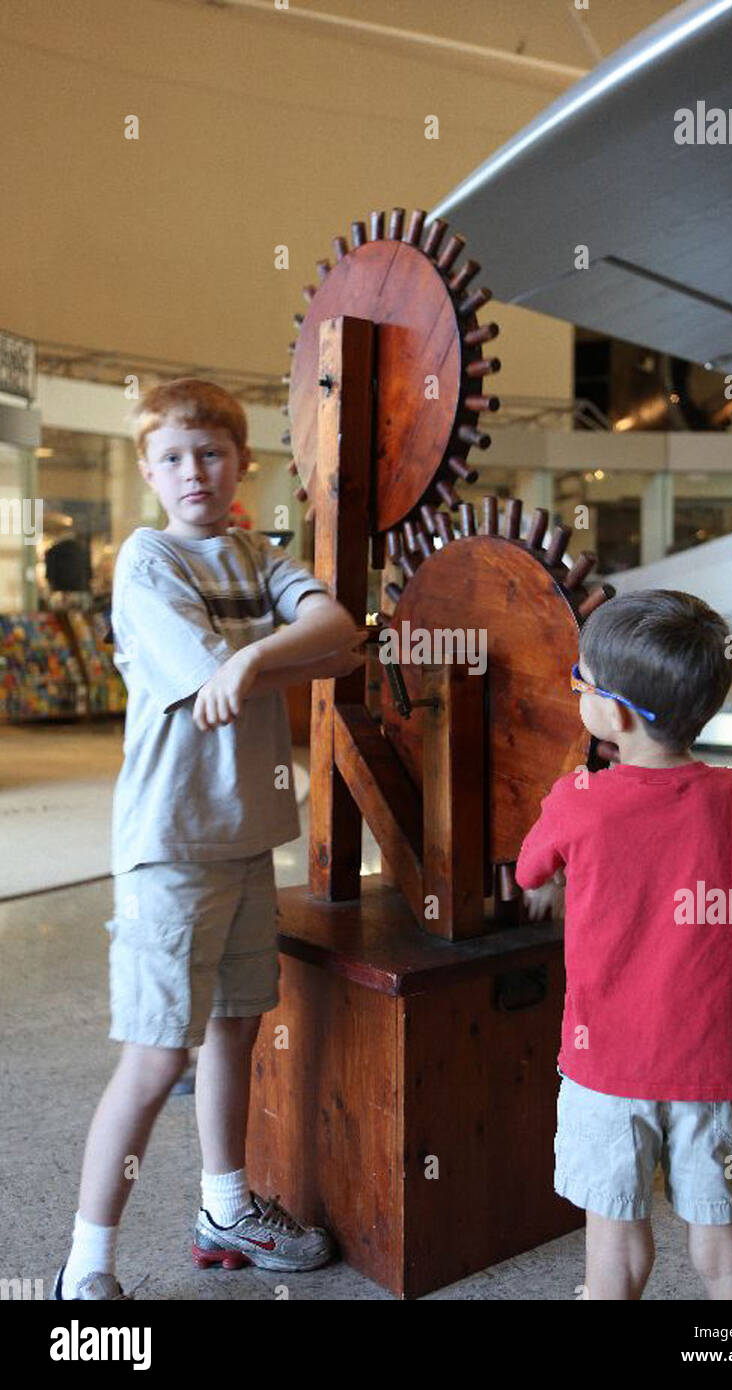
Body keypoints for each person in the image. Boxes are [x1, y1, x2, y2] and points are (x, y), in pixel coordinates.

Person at [55, 378, 366, 1300]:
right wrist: (284, 658)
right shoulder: (150, 562)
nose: (196, 471)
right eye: (175, 457)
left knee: (237, 1025)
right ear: (150, 471)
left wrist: (256, 653)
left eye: (213, 453)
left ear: (242, 465)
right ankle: (86, 1265)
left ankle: (225, 1207)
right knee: (156, 1057)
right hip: (171, 846)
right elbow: (213, 691)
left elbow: (339, 628)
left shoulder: (257, 556)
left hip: (244, 841)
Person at [515, 590, 732, 1301]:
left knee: (615, 1263)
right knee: (726, 1256)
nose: (576, 691)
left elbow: (530, 871)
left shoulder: (577, 800)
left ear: (615, 715)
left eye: (579, 682)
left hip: (606, 1072)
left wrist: (557, 825)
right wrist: (725, 994)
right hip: (715, 1068)